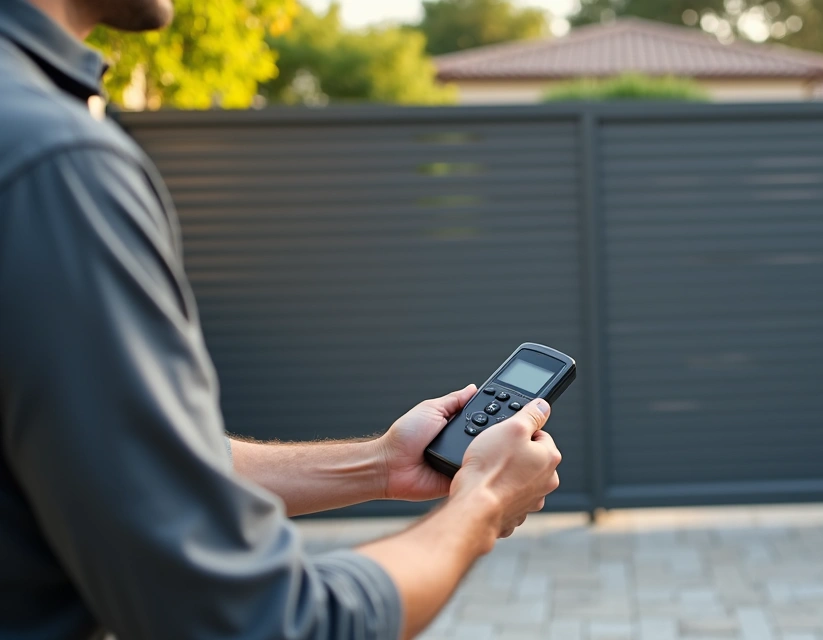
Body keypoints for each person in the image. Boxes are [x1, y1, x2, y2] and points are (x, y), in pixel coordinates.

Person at [0, 0, 564, 638]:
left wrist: (379, 464)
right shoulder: (57, 162)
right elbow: (256, 623)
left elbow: (107, 456)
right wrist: (482, 502)